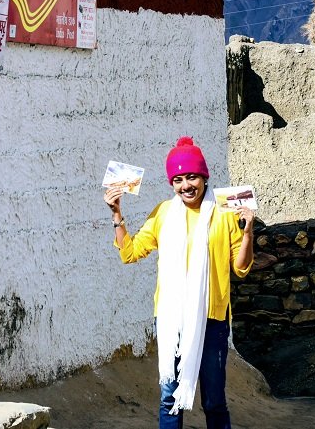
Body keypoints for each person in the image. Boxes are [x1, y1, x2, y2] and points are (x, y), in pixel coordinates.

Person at [103, 136, 255, 429]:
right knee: (169, 400)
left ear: (204, 177)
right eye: (179, 179)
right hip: (172, 318)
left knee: (213, 400)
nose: (186, 185)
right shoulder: (163, 213)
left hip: (212, 319)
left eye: (193, 177)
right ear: (172, 183)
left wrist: (247, 233)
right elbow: (130, 253)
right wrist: (116, 214)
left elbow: (241, 268)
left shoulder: (225, 214)